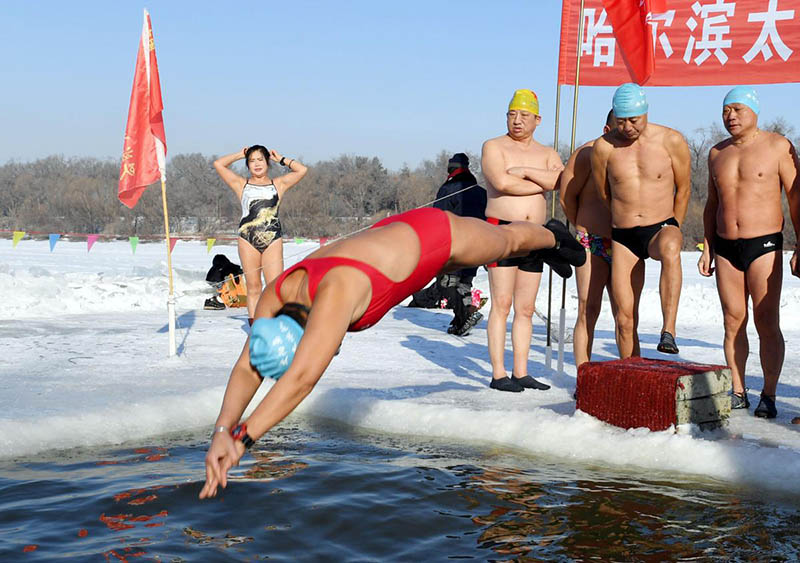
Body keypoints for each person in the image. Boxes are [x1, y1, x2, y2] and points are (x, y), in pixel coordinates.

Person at [199, 207, 586, 499]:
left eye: (322, 347)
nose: (329, 352)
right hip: (392, 243)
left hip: (433, 234)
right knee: (498, 249)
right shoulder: (275, 296)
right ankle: (535, 247)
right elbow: (249, 367)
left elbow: (301, 378)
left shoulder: (337, 293)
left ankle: (551, 239)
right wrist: (221, 430)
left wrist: (242, 440)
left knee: (505, 243)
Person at [698, 87, 800, 419]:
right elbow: (713, 204)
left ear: (755, 111)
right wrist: (708, 246)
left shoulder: (777, 146)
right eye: (726, 110)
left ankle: (768, 394)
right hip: (726, 247)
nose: (731, 116)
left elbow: (795, 198)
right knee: (733, 320)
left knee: (766, 320)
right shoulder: (716, 153)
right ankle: (738, 390)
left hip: (765, 244)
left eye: (738, 109)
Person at [591, 83, 691, 359]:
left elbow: (684, 188)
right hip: (624, 235)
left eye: (634, 120)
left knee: (672, 248)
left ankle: (668, 329)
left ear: (645, 113)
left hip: (661, 228)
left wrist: (675, 225)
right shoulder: (604, 148)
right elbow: (603, 192)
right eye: (621, 121)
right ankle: (630, 372)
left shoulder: (671, 140)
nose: (628, 127)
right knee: (624, 317)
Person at [481, 89, 564, 393]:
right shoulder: (494, 146)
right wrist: (540, 183)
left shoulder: (547, 153)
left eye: (524, 116)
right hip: (501, 230)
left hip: (536, 235)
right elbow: (501, 182)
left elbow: (560, 181)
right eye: (512, 114)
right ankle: (499, 372)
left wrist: (527, 172)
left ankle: (521, 371)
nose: (517, 121)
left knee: (525, 308)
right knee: (501, 303)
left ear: (537, 119)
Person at [559, 110, 631, 365]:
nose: (627, 132)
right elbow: (566, 197)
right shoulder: (587, 153)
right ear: (606, 130)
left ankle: (630, 372)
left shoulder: (636, 154)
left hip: (626, 242)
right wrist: (584, 225)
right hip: (593, 241)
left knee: (626, 315)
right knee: (588, 309)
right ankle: (584, 376)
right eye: (619, 127)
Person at [214, 145, 308, 323]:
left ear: (267, 162)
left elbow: (302, 170)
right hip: (247, 239)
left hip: (273, 238)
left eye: (260, 160)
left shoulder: (278, 184)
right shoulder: (241, 184)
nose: (256, 164)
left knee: (275, 287)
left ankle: (273, 324)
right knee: (254, 286)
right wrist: (239, 155)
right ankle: (255, 328)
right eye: (251, 161)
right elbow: (218, 164)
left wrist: (280, 159)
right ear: (247, 165)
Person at [432, 152, 487, 336]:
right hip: (479, 243)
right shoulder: (481, 191)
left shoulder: (447, 189)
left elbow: (438, 216)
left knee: (447, 282)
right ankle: (459, 320)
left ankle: (466, 315)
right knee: (464, 282)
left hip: (456, 243)